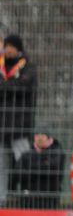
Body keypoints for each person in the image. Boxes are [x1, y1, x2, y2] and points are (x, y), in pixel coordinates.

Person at [0, 34, 37, 206]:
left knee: (25, 163)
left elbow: (24, 86)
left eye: (11, 46)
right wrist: (12, 86)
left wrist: (6, 87)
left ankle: (28, 197)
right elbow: (16, 86)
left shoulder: (28, 67)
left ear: (18, 48)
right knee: (2, 166)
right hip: (2, 128)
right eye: (6, 46)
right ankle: (2, 199)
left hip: (20, 126)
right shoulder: (2, 66)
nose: (7, 50)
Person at [11, 128, 65, 209]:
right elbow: (17, 174)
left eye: (42, 135)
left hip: (49, 199)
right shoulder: (26, 154)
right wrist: (43, 165)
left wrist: (30, 169)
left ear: (49, 138)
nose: (39, 138)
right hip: (28, 199)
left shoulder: (57, 152)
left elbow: (52, 170)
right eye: (37, 135)